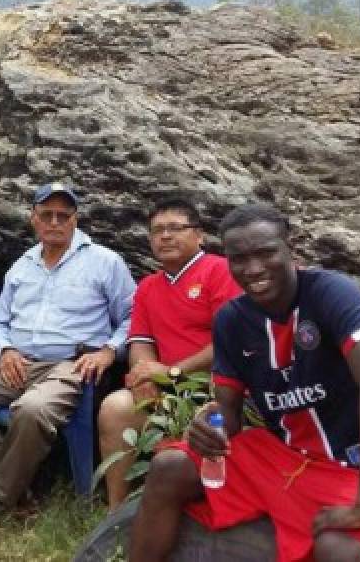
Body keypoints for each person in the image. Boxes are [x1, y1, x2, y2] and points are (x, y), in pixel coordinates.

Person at [129, 204, 360, 562]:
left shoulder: (330, 292)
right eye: (238, 258)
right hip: (278, 457)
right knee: (168, 467)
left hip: (345, 468)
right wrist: (207, 429)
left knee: (339, 550)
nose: (253, 269)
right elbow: (228, 417)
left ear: (291, 248)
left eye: (266, 253)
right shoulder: (232, 319)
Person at [0, 182, 136, 517]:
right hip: (17, 360)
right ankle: (6, 484)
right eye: (47, 214)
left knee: (32, 409)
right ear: (34, 220)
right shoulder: (23, 265)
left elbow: (134, 316)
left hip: (69, 365)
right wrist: (5, 350)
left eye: (63, 215)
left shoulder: (105, 262)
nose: (55, 222)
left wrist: (108, 351)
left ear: (75, 220)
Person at [97, 198, 242, 510]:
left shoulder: (219, 271)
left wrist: (171, 372)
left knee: (211, 419)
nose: (165, 236)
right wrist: (141, 375)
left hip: (217, 388)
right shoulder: (149, 286)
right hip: (167, 386)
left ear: (199, 235)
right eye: (157, 231)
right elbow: (140, 342)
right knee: (115, 407)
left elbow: (228, 342)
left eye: (175, 228)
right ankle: (117, 511)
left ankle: (204, 509)